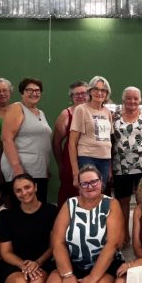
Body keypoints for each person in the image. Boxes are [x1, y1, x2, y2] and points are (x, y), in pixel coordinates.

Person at [111, 86, 142, 233]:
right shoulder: (115, 116)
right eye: (128, 98)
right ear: (123, 99)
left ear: (140, 100)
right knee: (123, 201)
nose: (132, 101)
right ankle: (124, 235)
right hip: (121, 165)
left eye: (135, 98)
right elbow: (110, 142)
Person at [0, 78, 53, 204]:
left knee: (37, 208)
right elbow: (7, 139)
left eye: (37, 90)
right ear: (22, 92)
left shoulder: (40, 113)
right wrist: (17, 169)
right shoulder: (17, 108)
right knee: (21, 208)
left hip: (38, 169)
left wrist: (45, 167)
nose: (34, 93)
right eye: (29, 90)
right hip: (21, 169)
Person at [69, 76, 114, 189]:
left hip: (105, 159)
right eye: (96, 89)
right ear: (90, 91)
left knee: (100, 191)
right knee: (88, 190)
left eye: (103, 90)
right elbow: (72, 143)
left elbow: (108, 141)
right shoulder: (81, 109)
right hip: (87, 157)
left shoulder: (107, 112)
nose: (99, 93)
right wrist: (75, 172)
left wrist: (109, 168)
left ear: (107, 93)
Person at [53, 80, 89, 209]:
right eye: (76, 94)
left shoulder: (97, 112)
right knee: (70, 196)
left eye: (84, 93)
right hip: (70, 164)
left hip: (93, 161)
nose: (80, 96)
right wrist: (61, 165)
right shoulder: (66, 114)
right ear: (71, 97)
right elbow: (56, 143)